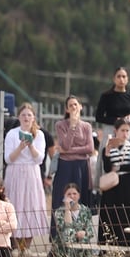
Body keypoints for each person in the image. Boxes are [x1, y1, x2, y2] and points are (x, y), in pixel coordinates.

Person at [4, 103, 46, 254]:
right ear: (19, 117)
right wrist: (20, 148)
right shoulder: (12, 134)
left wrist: (30, 146)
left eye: (29, 115)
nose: (26, 117)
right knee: (15, 206)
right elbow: (8, 159)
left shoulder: (39, 135)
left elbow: (39, 159)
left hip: (31, 172)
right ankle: (15, 246)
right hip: (15, 172)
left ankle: (26, 247)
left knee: (31, 206)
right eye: (23, 115)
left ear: (33, 117)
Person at [51, 95, 94, 234]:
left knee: (79, 201)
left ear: (80, 106)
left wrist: (69, 151)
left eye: (76, 104)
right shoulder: (60, 125)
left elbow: (90, 149)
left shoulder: (87, 126)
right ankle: (58, 238)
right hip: (65, 167)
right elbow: (65, 144)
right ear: (67, 109)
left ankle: (80, 236)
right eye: (70, 105)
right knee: (61, 200)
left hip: (81, 167)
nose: (74, 107)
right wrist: (73, 126)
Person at [99, 119, 130, 245]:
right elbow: (107, 168)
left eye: (127, 131)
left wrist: (119, 167)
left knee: (128, 213)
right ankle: (110, 242)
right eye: (122, 130)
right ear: (116, 131)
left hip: (128, 183)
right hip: (113, 185)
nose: (125, 133)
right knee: (112, 214)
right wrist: (107, 153)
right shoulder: (108, 148)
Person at [51, 183, 95, 257]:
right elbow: (65, 232)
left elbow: (90, 231)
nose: (72, 196)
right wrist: (67, 210)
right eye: (69, 194)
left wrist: (84, 233)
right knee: (66, 240)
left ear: (79, 195)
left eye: (74, 194)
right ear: (64, 196)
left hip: (82, 247)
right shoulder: (59, 212)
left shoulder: (85, 211)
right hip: (64, 248)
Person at [93, 67, 130, 140]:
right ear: (114, 79)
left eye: (124, 76)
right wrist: (117, 120)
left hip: (127, 131)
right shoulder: (106, 96)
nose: (121, 79)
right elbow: (99, 117)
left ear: (127, 79)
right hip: (111, 130)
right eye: (118, 76)